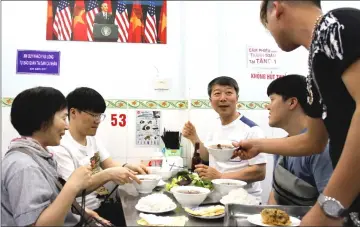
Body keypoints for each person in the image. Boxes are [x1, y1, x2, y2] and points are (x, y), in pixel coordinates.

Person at [233, 1, 360, 225]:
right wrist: (259, 145)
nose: (270, 32)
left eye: (266, 23)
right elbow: (313, 141)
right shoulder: (315, 66)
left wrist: (328, 208)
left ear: (277, 7)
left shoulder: (336, 25)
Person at [49, 87, 148, 226]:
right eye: (93, 115)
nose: (98, 121)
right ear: (73, 112)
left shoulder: (91, 139)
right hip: (80, 213)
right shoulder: (60, 146)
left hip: (101, 204)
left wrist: (127, 167)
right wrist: (108, 175)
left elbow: (110, 165)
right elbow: (73, 191)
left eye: (100, 115)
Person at [1, 87, 93, 226]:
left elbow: (50, 204)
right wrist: (73, 185)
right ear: (43, 121)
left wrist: (79, 212)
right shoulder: (24, 166)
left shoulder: (37, 156)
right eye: (63, 118)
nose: (67, 126)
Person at [182, 76, 267, 201]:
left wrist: (221, 176)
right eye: (217, 94)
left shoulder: (252, 130)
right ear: (210, 101)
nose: (223, 98)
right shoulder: (214, 125)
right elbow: (207, 156)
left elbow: (259, 172)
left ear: (237, 98)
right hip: (217, 197)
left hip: (244, 200)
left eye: (228, 93)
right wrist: (193, 137)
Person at [265, 74, 333, 206]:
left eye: (272, 100)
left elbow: (332, 206)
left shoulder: (323, 148)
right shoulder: (281, 148)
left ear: (292, 102)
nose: (267, 107)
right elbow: (275, 194)